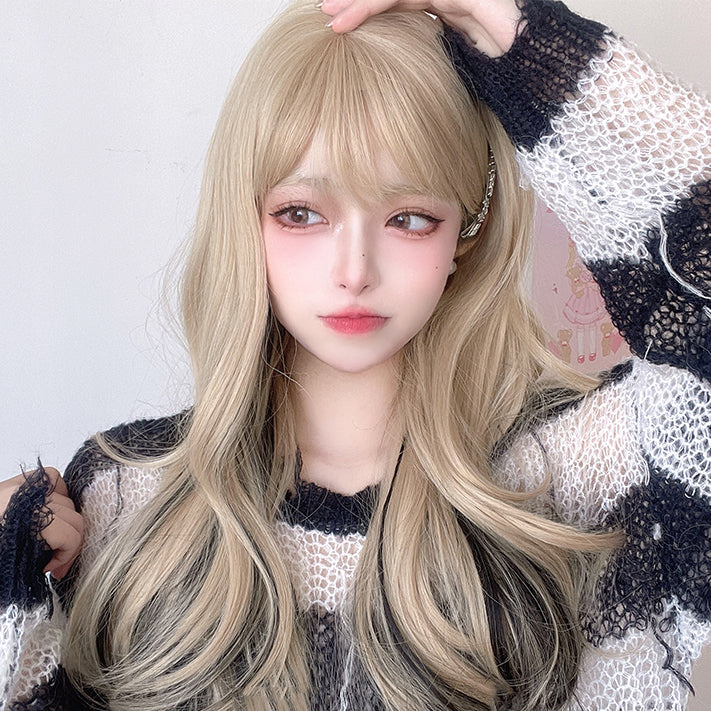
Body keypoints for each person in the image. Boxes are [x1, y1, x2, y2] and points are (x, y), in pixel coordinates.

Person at [1, 0, 710, 709]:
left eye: (409, 218)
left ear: (465, 233)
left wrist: (524, 39)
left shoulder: (584, 472)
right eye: (301, 213)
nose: (354, 271)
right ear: (244, 216)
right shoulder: (126, 494)